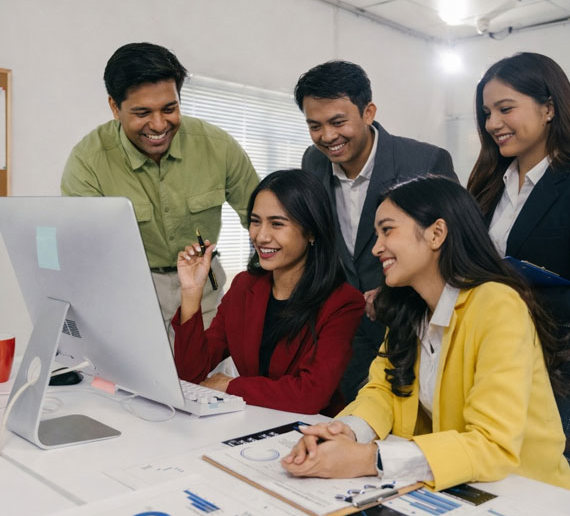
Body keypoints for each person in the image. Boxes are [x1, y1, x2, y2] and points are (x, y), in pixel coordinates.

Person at [282, 176, 570, 490]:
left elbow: (492, 443)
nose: (376, 248)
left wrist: (369, 459)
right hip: (462, 486)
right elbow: (383, 391)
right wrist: (345, 431)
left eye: (387, 230)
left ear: (436, 233)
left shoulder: (497, 305)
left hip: (526, 494)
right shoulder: (412, 307)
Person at [61, 42, 259, 337]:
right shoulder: (88, 160)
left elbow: (263, 220)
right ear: (115, 107)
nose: (158, 125)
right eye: (142, 112)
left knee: (206, 367)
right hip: (131, 293)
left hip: (204, 289)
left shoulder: (218, 146)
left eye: (169, 109)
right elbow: (82, 250)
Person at [294, 60, 457, 403]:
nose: (327, 137)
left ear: (368, 112)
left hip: (410, 328)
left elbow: (454, 249)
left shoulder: (424, 163)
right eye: (315, 126)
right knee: (353, 418)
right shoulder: (313, 161)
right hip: (343, 333)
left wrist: (393, 293)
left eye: (338, 122)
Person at [172, 169, 364, 415]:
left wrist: (230, 385)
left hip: (311, 429)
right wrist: (191, 291)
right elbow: (190, 374)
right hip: (252, 420)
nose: (261, 236)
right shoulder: (245, 286)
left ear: (311, 231)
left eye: (277, 224)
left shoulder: (343, 303)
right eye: (255, 221)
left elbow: (310, 395)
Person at [467, 52, 570, 452]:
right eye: (487, 113)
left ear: (548, 108)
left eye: (505, 109)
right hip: (491, 360)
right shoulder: (486, 184)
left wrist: (520, 288)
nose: (492, 123)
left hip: (556, 367)